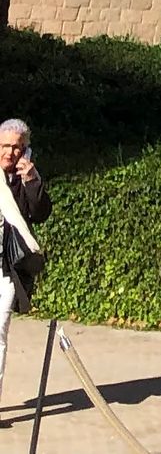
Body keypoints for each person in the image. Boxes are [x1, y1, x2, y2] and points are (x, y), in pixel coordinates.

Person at [0, 118, 49, 402]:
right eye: (5, 146)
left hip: (9, 268)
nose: (10, 152)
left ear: (25, 149)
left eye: (17, 147)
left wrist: (32, 180)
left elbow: (41, 213)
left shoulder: (26, 177)